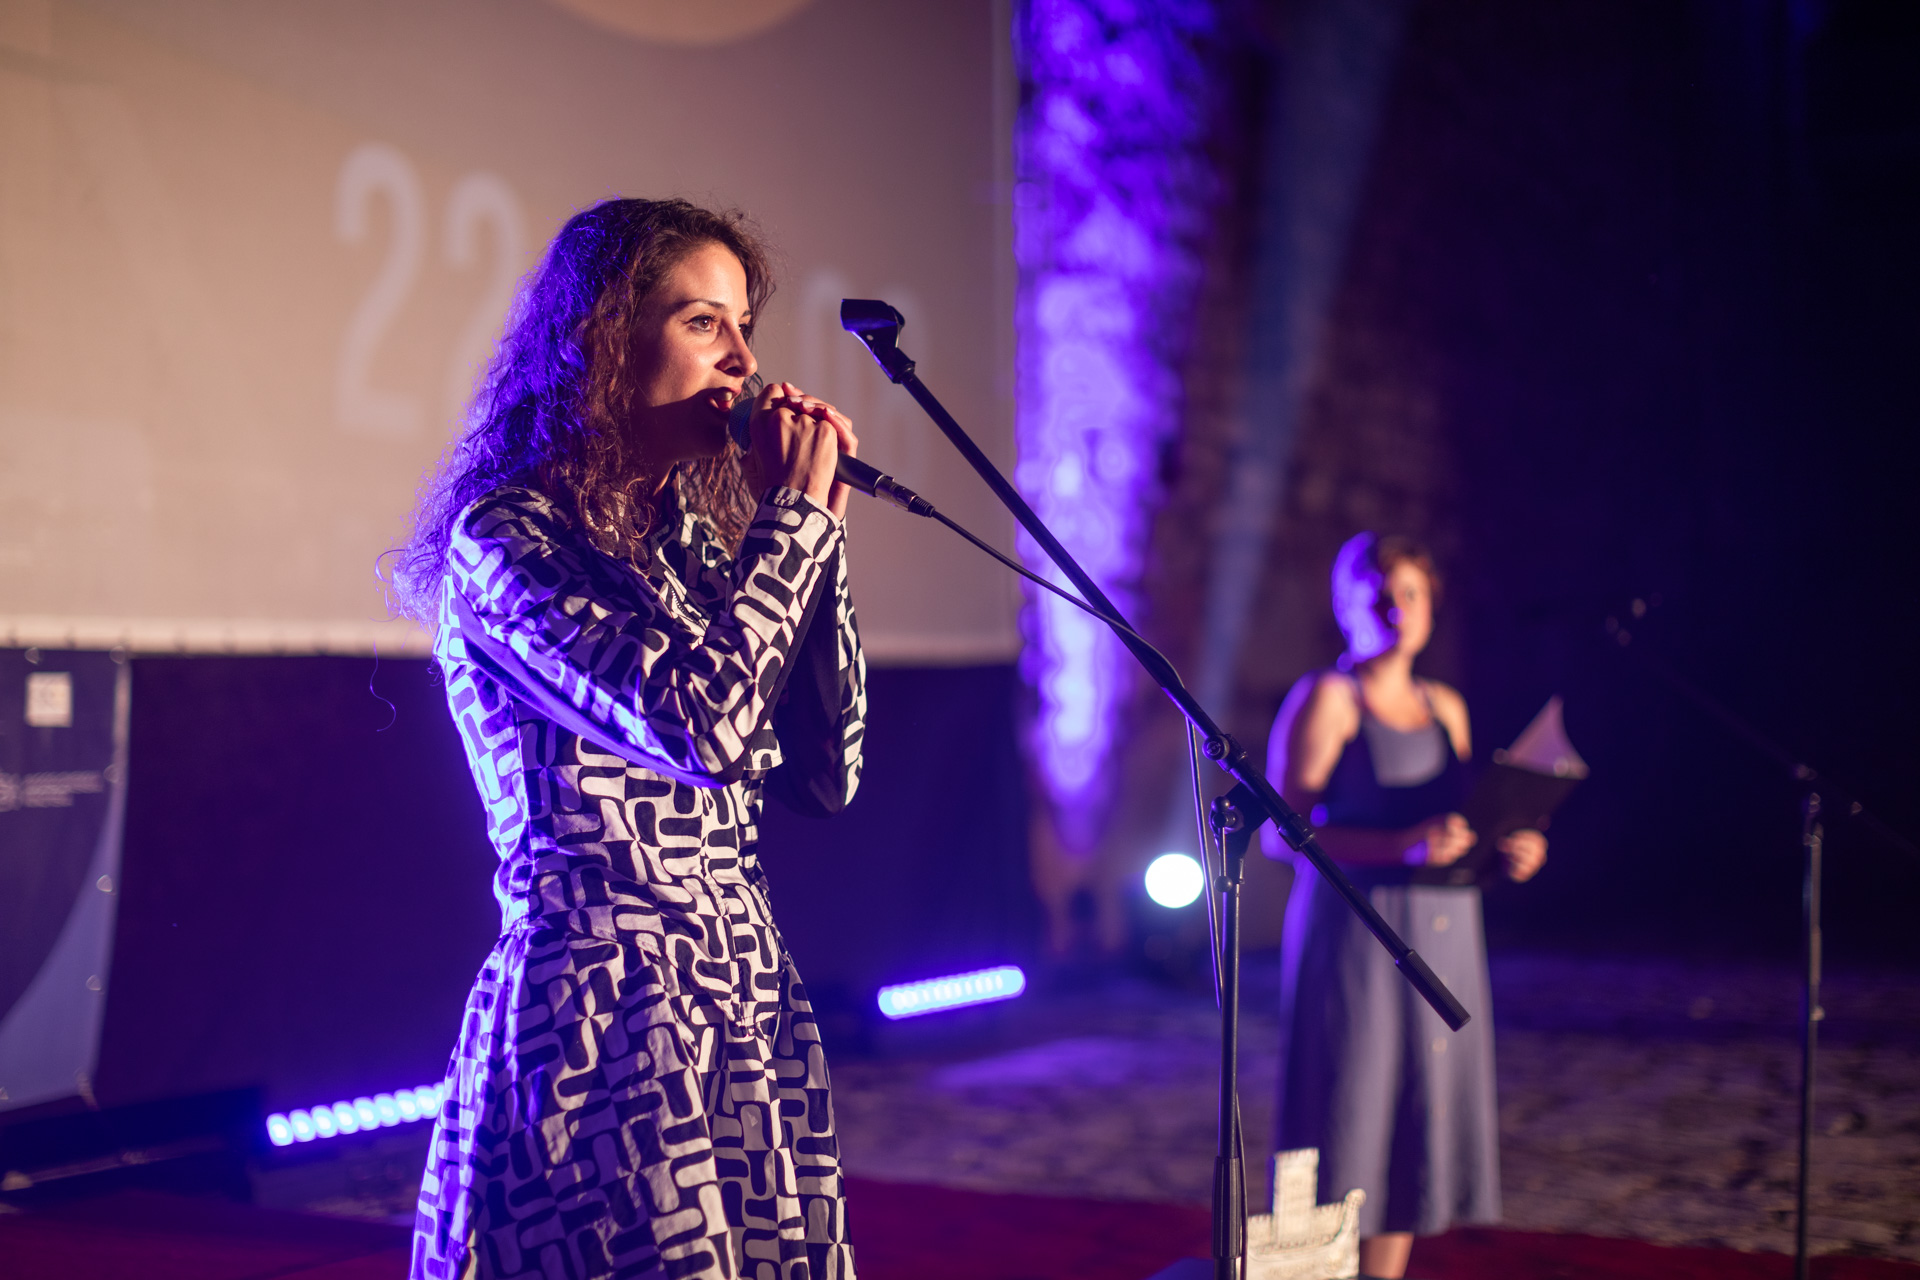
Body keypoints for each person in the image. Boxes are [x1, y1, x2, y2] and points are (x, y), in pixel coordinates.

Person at [390, 198, 866, 1280]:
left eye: (744, 327)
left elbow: (826, 772)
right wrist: (793, 529)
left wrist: (819, 540)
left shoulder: (690, 545)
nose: (744, 359)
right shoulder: (506, 538)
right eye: (704, 322)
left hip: (740, 993)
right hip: (606, 1010)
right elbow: (701, 726)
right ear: (601, 338)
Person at [1261, 532, 1546, 1280]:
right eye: (1381, 596)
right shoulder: (1328, 698)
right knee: (1344, 1115)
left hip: (1445, 934)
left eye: (1412, 594)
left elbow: (1464, 826)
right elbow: (1278, 835)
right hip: (1357, 940)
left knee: (1413, 1125)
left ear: (1431, 606)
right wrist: (1398, 847)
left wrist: (1508, 850)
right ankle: (1312, 1273)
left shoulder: (1445, 705)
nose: (1397, 610)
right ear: (1345, 605)